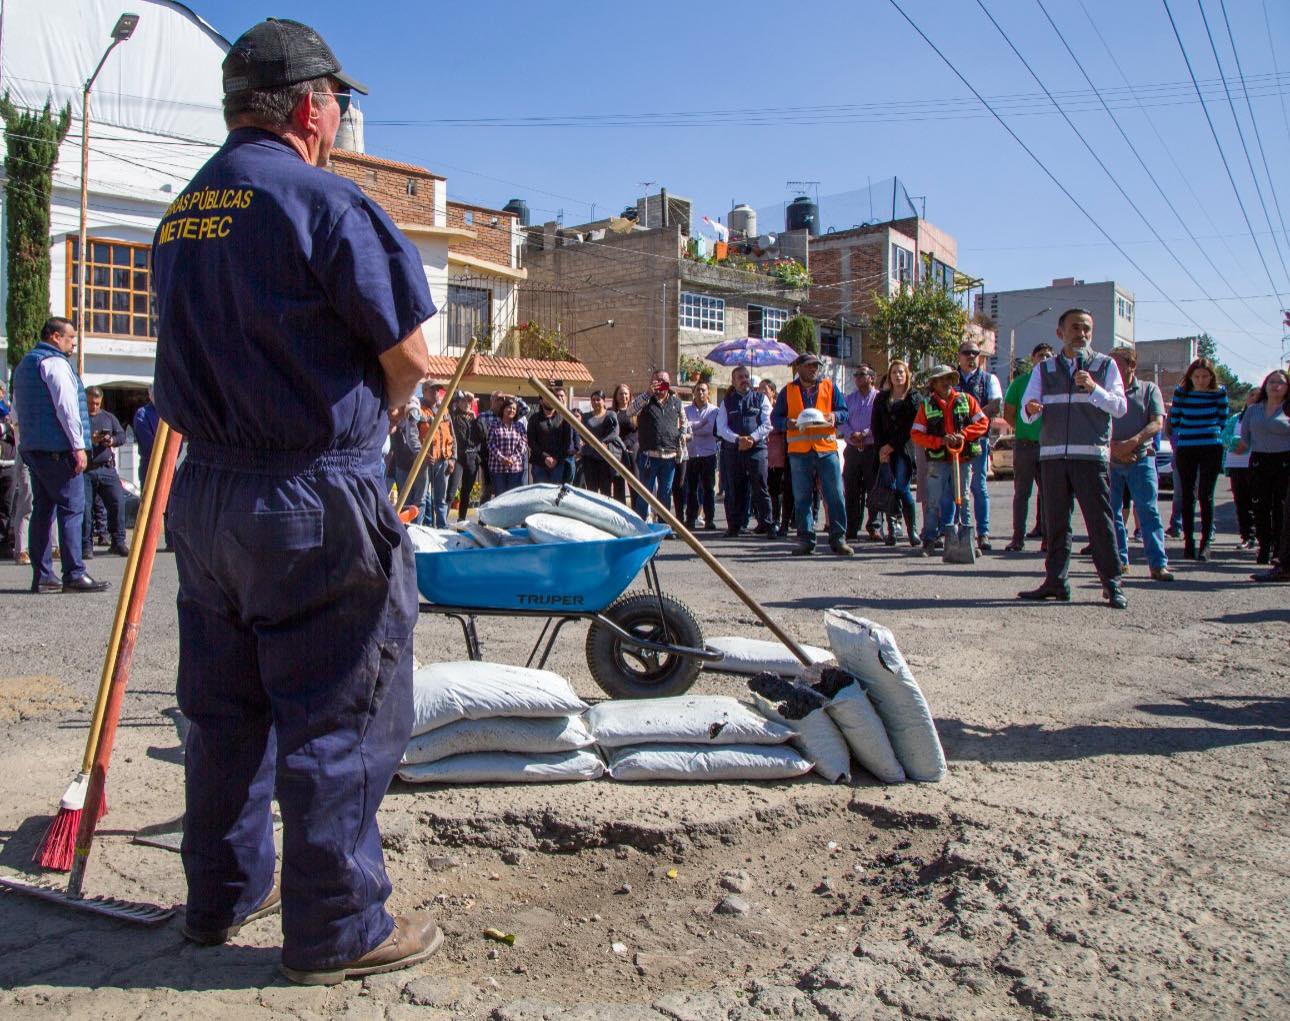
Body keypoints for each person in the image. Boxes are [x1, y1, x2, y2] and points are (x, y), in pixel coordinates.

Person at [150, 19, 440, 983]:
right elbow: (411, 356)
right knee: (336, 708)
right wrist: (374, 421)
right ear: (312, 107)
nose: (339, 122)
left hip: (207, 496)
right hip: (311, 490)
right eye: (338, 106)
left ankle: (222, 895)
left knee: (224, 708)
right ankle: (339, 926)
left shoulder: (181, 214)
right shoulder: (326, 202)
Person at [1017, 308, 1128, 608]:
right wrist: (1030, 410)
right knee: (1055, 524)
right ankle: (1056, 581)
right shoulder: (1045, 369)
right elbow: (1027, 407)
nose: (1081, 334)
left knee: (1099, 522)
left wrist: (1093, 388)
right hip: (1053, 457)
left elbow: (1119, 407)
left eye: (1086, 329)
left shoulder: (1105, 366)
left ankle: (1112, 583)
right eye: (1075, 328)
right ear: (1060, 332)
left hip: (1090, 456)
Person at [12, 317, 111, 594]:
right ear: (55, 337)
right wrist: (78, 447)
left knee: (43, 510)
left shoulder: (24, 367)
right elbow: (67, 409)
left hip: (34, 449)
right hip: (59, 450)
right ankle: (74, 573)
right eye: (69, 338)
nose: (73, 343)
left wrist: (25, 444)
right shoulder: (55, 364)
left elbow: (16, 414)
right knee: (71, 508)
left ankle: (43, 575)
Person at [771, 352, 851, 556]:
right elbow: (776, 417)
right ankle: (806, 540)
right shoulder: (787, 391)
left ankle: (838, 539)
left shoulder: (830, 387)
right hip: (799, 452)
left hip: (826, 449)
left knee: (835, 496)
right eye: (809, 366)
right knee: (802, 498)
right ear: (799, 368)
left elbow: (844, 411)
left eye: (816, 365)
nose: (813, 369)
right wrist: (786, 423)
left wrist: (835, 416)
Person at [1107, 347, 1173, 582]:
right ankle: (1119, 561)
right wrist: (1116, 448)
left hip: (1142, 458)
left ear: (1131, 366)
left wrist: (1132, 443)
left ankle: (1158, 564)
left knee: (1148, 511)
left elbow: (1157, 423)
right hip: (1111, 461)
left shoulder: (1148, 390)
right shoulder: (1105, 392)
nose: (1111, 368)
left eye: (1116, 364)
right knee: (1112, 513)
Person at [910, 364, 989, 556]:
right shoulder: (926, 405)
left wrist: (964, 434)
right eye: (941, 379)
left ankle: (969, 541)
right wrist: (939, 441)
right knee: (933, 501)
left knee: (964, 500)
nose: (945, 383)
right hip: (938, 460)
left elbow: (983, 423)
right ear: (934, 384)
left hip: (962, 458)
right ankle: (929, 540)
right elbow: (916, 434)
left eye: (948, 379)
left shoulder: (966, 400)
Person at [1167, 358, 1228, 561]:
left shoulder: (1219, 393)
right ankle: (1188, 541)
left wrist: (1208, 431)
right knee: (1187, 494)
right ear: (1190, 377)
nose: (1201, 380)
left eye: (1205, 376)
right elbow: (1174, 419)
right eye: (1197, 376)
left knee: (1206, 495)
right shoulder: (1181, 393)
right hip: (1187, 447)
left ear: (1211, 377)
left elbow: (1223, 419)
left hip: (1211, 446)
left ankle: (1206, 543)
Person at [1237, 369, 1290, 579]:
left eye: (1281, 383)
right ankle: (1264, 547)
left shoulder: (1288, 410)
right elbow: (1244, 439)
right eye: (1272, 382)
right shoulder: (1253, 410)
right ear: (1265, 385)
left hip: (1284, 461)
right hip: (1259, 460)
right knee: (1260, 505)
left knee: (1281, 507)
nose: (1276, 386)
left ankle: (1279, 551)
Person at [1002, 343, 1053, 552]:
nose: (1044, 358)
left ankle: (1047, 539)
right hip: (1025, 446)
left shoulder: (1056, 384)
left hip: (1049, 446)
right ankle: (1017, 538)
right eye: (1040, 355)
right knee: (1022, 493)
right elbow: (1009, 414)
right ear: (1033, 358)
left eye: (1049, 356)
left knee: (1049, 494)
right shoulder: (1020, 383)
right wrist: (1024, 428)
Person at [956, 341, 1003, 552]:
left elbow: (995, 405)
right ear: (959, 355)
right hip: (955, 442)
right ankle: (957, 530)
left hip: (978, 440)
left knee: (978, 486)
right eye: (967, 353)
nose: (971, 356)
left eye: (976, 353)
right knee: (956, 487)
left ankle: (983, 533)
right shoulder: (951, 379)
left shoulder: (989, 379)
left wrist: (971, 420)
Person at [717, 366, 773, 537]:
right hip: (734, 451)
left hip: (756, 450)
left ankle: (767, 524)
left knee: (761, 487)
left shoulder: (760, 398)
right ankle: (734, 526)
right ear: (733, 382)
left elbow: (768, 423)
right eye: (740, 377)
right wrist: (737, 439)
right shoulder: (726, 402)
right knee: (735, 489)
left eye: (746, 376)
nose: (744, 380)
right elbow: (721, 427)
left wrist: (752, 438)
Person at [871, 359, 920, 548]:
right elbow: (875, 425)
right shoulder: (881, 398)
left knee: (902, 488)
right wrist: (882, 448)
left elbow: (910, 427)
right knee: (888, 489)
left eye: (901, 372)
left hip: (903, 450)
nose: (898, 375)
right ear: (889, 376)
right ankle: (891, 532)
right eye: (894, 372)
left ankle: (911, 531)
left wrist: (891, 445)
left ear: (907, 375)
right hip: (884, 451)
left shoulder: (914, 397)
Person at [627, 370, 686, 521]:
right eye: (657, 381)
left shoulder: (676, 402)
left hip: (669, 456)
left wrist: (682, 435)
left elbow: (685, 423)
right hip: (648, 456)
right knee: (645, 492)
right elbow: (630, 411)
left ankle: (664, 524)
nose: (660, 385)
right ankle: (640, 526)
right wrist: (647, 394)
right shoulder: (646, 400)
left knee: (665, 493)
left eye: (663, 381)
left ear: (668, 383)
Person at [81, 386, 130, 557]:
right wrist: (90, 439)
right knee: (85, 509)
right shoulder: (80, 418)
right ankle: (86, 546)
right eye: (89, 403)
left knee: (117, 502)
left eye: (96, 403)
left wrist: (111, 440)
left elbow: (122, 436)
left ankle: (118, 541)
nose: (92, 406)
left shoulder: (108, 417)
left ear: (100, 401)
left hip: (106, 468)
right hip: (86, 470)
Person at [840, 364, 880, 542]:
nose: (857, 377)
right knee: (851, 489)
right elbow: (842, 420)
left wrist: (865, 433)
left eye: (862, 374)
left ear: (871, 377)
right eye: (856, 375)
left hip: (872, 448)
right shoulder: (849, 399)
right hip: (853, 449)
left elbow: (881, 421)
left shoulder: (879, 398)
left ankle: (874, 527)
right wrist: (850, 434)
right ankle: (852, 527)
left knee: (873, 488)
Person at [1221, 391, 1260, 550]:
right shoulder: (1236, 418)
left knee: (1259, 503)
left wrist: (1247, 444)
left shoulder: (1263, 418)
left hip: (1256, 466)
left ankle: (1264, 537)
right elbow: (1224, 436)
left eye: (1259, 397)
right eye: (1252, 395)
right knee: (1241, 504)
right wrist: (1236, 443)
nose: (1254, 399)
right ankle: (1247, 537)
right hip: (1236, 465)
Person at [418, 385, 455, 528]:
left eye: (437, 390)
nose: (436, 393)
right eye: (432, 390)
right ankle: (418, 530)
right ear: (424, 391)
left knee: (441, 500)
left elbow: (452, 436)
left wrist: (452, 459)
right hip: (425, 462)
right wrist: (422, 454)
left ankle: (442, 528)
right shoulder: (418, 410)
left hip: (443, 461)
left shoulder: (444, 410)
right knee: (421, 499)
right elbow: (412, 436)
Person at [684, 380, 719, 530]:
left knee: (709, 489)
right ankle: (691, 518)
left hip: (708, 454)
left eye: (703, 390)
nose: (700, 393)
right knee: (691, 489)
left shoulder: (714, 411)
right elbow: (684, 428)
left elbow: (710, 430)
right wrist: (701, 424)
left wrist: (693, 427)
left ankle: (709, 519)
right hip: (691, 454)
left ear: (708, 393)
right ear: (694, 392)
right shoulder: (686, 410)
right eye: (698, 390)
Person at [761, 379, 793, 538]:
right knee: (766, 488)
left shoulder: (778, 409)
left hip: (778, 453)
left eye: (765, 389)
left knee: (777, 489)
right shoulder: (758, 409)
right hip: (764, 453)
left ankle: (778, 519)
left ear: (773, 392)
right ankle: (764, 520)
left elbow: (779, 425)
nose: (761, 392)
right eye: (759, 389)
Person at [446, 391, 484, 521]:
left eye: (469, 402)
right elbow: (449, 403)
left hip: (472, 458)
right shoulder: (453, 416)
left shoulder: (474, 419)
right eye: (463, 401)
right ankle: (442, 521)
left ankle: (461, 519)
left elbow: (482, 435)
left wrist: (475, 419)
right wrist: (460, 394)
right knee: (451, 491)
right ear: (458, 403)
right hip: (458, 456)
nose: (466, 404)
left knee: (466, 492)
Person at [527, 383, 574, 485]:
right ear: (541, 401)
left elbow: (567, 441)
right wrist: (545, 457)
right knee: (540, 494)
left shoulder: (564, 417)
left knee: (554, 494)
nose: (551, 400)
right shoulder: (534, 419)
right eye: (547, 397)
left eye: (552, 397)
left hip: (558, 463)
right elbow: (531, 441)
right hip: (539, 463)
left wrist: (556, 458)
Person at [577, 390, 621, 497]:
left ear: (604, 401)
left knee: (605, 489)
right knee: (592, 489)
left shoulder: (611, 414)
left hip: (604, 456)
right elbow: (582, 432)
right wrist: (589, 442)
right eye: (593, 400)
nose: (596, 402)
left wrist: (603, 442)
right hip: (589, 456)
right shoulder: (586, 416)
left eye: (598, 399)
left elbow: (615, 432)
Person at [487, 396, 528, 495]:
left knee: (512, 497)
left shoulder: (520, 426)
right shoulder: (494, 424)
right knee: (500, 497)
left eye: (514, 408)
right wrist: (502, 459)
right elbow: (490, 443)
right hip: (497, 468)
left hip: (515, 468)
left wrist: (512, 459)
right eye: (509, 407)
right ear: (503, 409)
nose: (511, 410)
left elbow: (523, 445)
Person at [610, 383, 637, 505]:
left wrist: (628, 443)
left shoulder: (635, 412)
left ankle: (638, 514)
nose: (623, 396)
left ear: (629, 395)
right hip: (616, 452)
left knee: (635, 484)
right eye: (621, 393)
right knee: (618, 485)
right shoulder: (611, 413)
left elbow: (638, 431)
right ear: (616, 396)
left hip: (632, 452)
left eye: (626, 393)